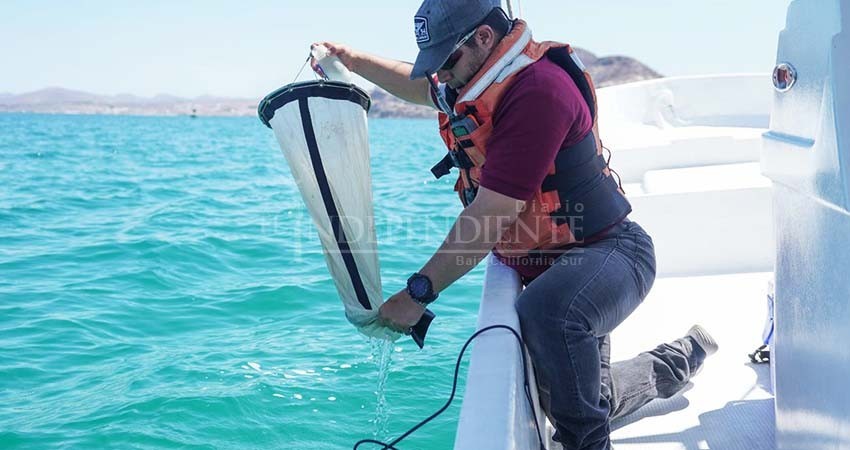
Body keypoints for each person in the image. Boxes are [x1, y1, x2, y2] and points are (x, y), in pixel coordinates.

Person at [312, 1, 718, 448]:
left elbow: (489, 217)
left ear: (484, 38)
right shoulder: (474, 75)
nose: (440, 76)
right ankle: (679, 359)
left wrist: (416, 295)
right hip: (556, 261)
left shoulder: (537, 92)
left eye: (446, 62)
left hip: (610, 254)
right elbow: (417, 86)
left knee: (548, 317)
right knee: (575, 397)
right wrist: (352, 60)